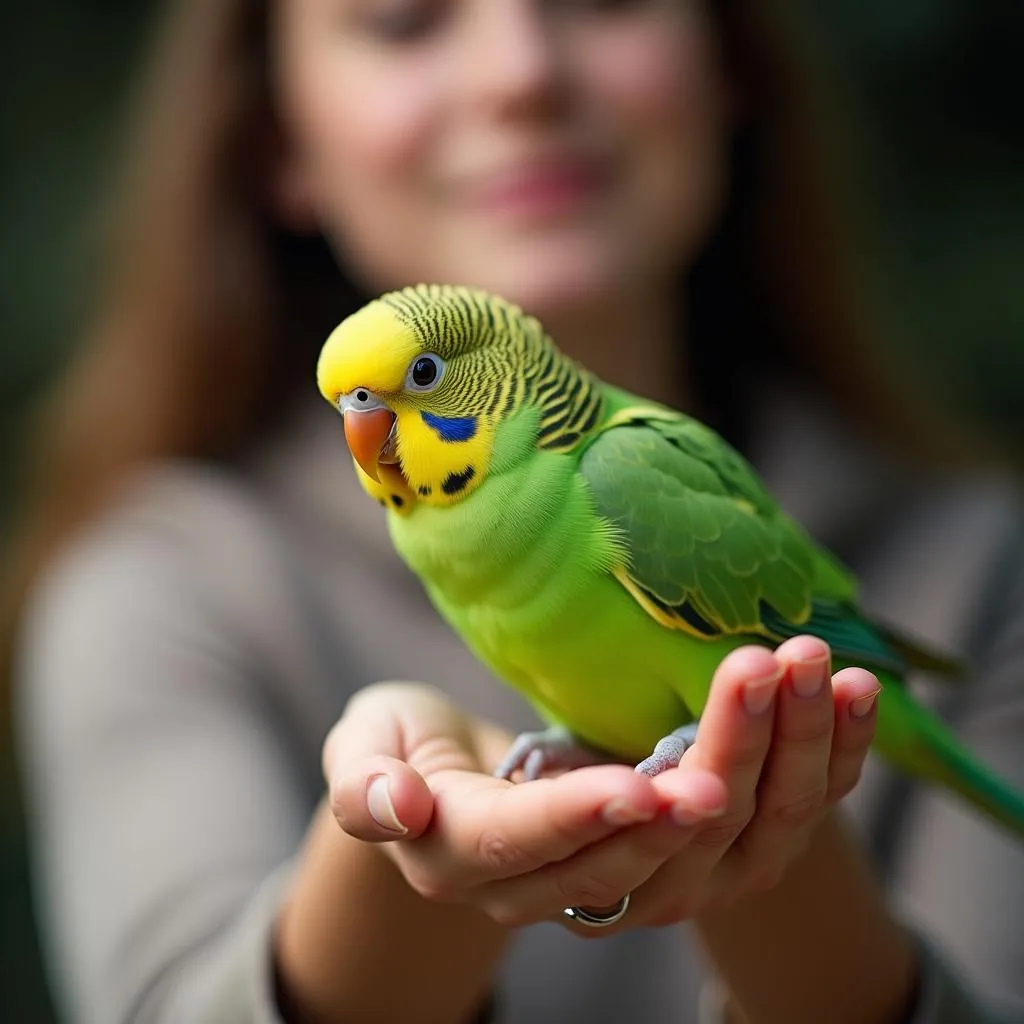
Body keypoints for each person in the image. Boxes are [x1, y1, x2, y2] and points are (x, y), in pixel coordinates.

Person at [6, 0, 1023, 1021]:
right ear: (278, 143)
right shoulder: (159, 588)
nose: (520, 76)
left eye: (602, 1)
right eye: (403, 21)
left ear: (728, 63)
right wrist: (394, 864)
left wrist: (760, 836)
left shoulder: (653, 484)